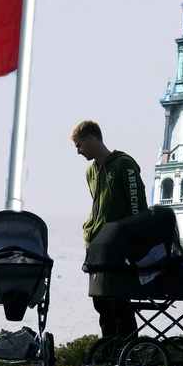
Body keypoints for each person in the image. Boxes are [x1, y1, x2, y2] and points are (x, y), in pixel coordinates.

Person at [70, 120, 148, 339]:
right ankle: (110, 354)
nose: (78, 151)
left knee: (119, 304)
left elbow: (138, 208)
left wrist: (134, 242)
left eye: (79, 145)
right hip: (95, 245)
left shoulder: (124, 164)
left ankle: (129, 355)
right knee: (101, 305)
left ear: (91, 140)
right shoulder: (90, 171)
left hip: (118, 247)